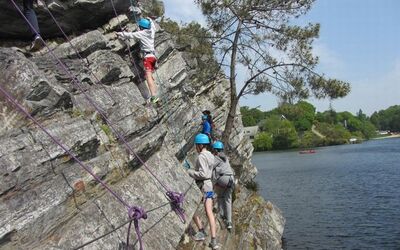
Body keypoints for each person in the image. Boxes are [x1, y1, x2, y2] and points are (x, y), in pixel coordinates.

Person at [116, 17, 159, 104]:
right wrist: (149, 19)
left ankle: (154, 97)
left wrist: (119, 33)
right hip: (153, 57)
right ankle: (155, 94)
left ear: (141, 27)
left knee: (148, 77)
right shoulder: (152, 30)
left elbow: (130, 35)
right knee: (150, 76)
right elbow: (153, 25)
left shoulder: (142, 33)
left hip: (148, 57)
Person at [187, 133, 219, 249]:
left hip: (203, 186)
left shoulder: (201, 156)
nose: (196, 147)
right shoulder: (210, 155)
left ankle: (201, 231)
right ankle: (214, 240)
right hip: (209, 185)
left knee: (191, 208)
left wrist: (190, 172)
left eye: (196, 145)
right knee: (209, 212)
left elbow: (203, 174)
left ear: (200, 145)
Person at [212, 141, 235, 231]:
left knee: (220, 195)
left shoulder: (217, 157)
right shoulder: (226, 158)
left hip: (224, 180)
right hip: (231, 180)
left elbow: (210, 166)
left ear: (215, 150)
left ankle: (221, 214)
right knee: (228, 200)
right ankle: (229, 221)